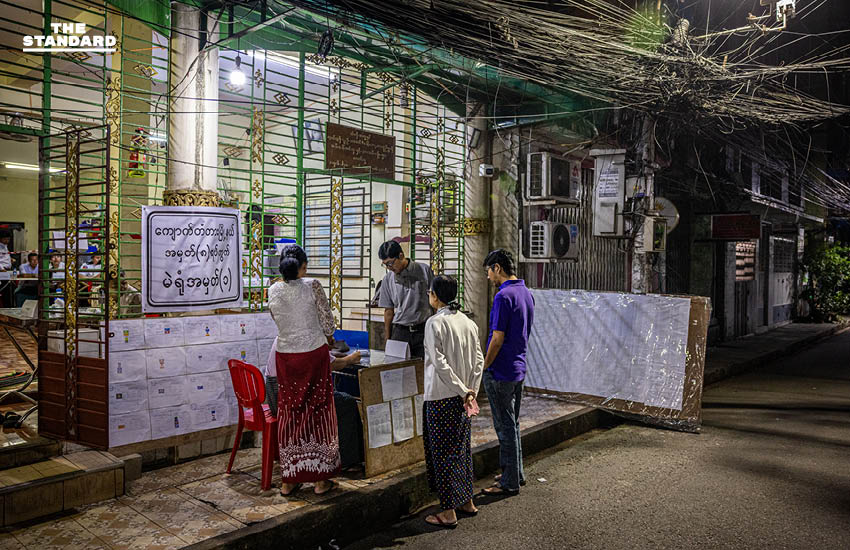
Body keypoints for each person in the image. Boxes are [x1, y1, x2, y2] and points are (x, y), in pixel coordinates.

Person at [268, 244, 340, 496]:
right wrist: (328, 337)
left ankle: (289, 479)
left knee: (290, 411)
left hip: (286, 357)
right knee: (318, 410)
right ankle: (320, 480)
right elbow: (328, 322)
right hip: (313, 355)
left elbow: (277, 319)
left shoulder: (273, 289)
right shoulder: (313, 286)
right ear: (303, 267)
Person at [422, 275, 484, 528]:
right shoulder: (469, 323)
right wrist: (472, 391)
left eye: (430, 293)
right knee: (460, 450)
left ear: (435, 296)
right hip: (463, 398)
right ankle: (466, 501)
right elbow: (479, 361)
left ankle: (448, 512)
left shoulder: (434, 323)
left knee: (443, 453)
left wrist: (462, 390)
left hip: (441, 397)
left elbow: (440, 364)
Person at [481, 249, 534, 496]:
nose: (488, 277)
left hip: (501, 371)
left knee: (504, 427)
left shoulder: (503, 297)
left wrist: (485, 364)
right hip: (519, 367)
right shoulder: (525, 293)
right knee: (513, 424)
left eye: (489, 272)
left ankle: (509, 482)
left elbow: (497, 338)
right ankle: (516, 473)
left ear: (497, 268)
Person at [377, 240, 434, 357]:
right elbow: (388, 311)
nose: (389, 268)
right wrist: (388, 340)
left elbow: (435, 301)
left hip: (422, 330)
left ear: (401, 256)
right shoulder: (388, 279)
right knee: (398, 371)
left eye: (390, 263)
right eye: (385, 264)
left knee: (423, 370)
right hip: (400, 332)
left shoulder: (424, 271)